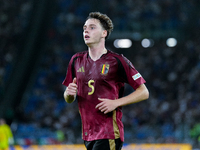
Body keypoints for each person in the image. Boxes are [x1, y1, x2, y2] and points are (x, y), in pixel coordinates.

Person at [62, 12, 149, 150]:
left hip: (108, 132)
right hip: (87, 134)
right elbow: (68, 98)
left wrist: (116, 102)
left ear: (104, 33)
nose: (86, 30)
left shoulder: (117, 61)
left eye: (92, 27)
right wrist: (68, 94)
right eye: (84, 28)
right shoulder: (76, 61)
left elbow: (144, 92)